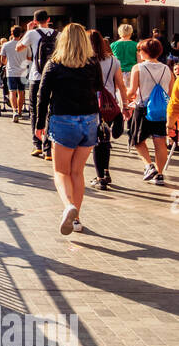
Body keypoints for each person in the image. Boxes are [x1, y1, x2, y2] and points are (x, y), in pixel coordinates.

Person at [34, 22, 104, 234]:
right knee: (77, 172)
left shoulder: (54, 64)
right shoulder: (93, 63)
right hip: (89, 120)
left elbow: (42, 96)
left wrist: (39, 124)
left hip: (63, 119)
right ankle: (77, 219)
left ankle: (68, 206)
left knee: (60, 171)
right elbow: (99, 87)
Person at [126, 37, 174, 186]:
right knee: (160, 142)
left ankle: (149, 166)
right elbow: (171, 92)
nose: (139, 53)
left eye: (140, 50)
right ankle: (159, 175)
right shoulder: (167, 69)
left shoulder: (138, 68)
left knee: (137, 140)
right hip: (162, 110)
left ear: (145, 52)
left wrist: (123, 95)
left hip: (143, 109)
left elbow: (132, 91)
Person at [88, 30, 131, 191]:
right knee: (104, 140)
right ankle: (105, 172)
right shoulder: (113, 61)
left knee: (97, 143)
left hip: (91, 105)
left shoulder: (85, 60)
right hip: (109, 105)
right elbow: (121, 85)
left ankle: (100, 178)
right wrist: (124, 106)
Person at [23, 9, 59, 160]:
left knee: (35, 109)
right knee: (52, 109)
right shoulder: (59, 34)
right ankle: (48, 148)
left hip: (36, 76)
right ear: (49, 19)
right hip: (55, 76)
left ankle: (37, 144)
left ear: (35, 20)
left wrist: (28, 31)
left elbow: (20, 47)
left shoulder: (32, 33)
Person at [0, 24, 29, 122]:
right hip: (23, 71)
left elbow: (3, 60)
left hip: (11, 71)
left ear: (11, 33)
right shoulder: (25, 45)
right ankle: (20, 111)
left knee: (12, 91)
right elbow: (29, 58)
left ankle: (14, 111)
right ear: (20, 34)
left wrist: (8, 62)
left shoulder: (6, 45)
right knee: (21, 92)